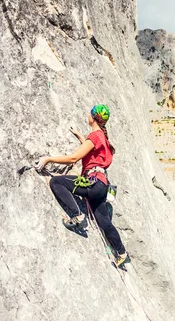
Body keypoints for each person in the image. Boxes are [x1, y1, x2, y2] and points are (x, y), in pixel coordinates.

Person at [37, 104, 128, 266]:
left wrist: (48, 159)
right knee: (104, 222)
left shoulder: (95, 137)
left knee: (57, 181)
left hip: (93, 182)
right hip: (101, 185)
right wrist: (81, 137)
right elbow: (92, 151)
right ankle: (122, 252)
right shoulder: (102, 138)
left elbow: (73, 158)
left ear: (93, 117)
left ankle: (77, 216)